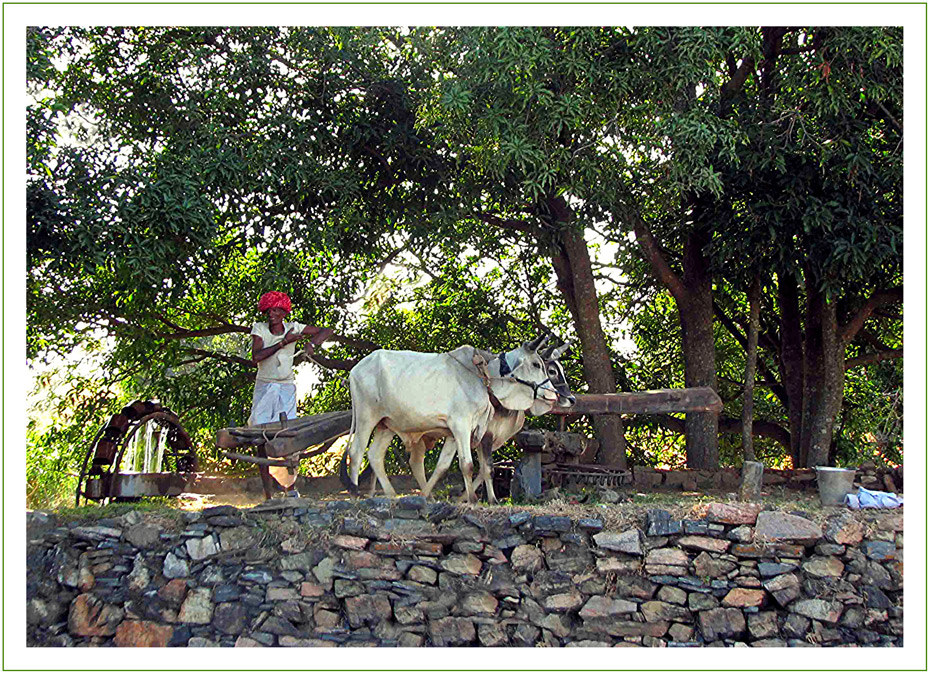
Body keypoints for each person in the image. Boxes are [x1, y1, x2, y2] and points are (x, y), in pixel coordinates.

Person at [249, 291, 333, 496]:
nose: (272, 314)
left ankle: (290, 488)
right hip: (265, 387)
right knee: (260, 437)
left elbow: (327, 330)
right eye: (269, 310)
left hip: (286, 388)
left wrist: (312, 344)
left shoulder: (294, 328)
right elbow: (256, 357)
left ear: (284, 313)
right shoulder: (259, 329)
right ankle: (268, 492)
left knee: (288, 437)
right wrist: (283, 343)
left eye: (277, 310)